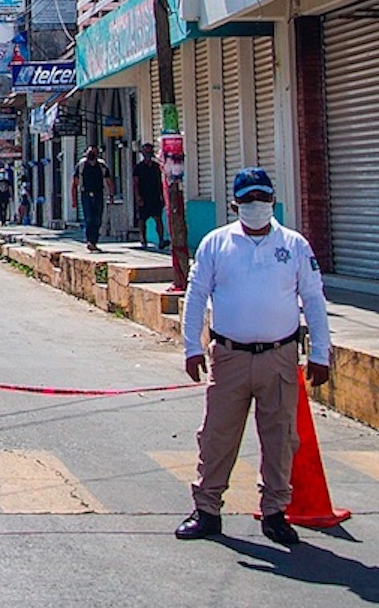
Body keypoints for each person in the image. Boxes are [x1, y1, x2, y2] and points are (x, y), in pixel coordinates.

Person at [176, 167, 331, 546]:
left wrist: (321, 353)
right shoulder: (216, 244)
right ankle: (208, 510)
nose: (256, 206)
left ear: (273, 202)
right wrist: (192, 347)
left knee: (280, 439)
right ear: (235, 204)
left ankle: (275, 512)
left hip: (279, 357)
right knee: (217, 436)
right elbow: (196, 296)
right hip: (230, 356)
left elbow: (313, 299)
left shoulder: (294, 245)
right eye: (248, 200)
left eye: (262, 199)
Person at [70, 146, 114, 252]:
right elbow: (74, 183)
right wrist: (74, 199)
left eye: (94, 152)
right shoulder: (81, 165)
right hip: (86, 194)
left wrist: (111, 195)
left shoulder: (102, 166)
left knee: (98, 219)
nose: (92, 154)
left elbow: (109, 181)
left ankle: (94, 240)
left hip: (99, 194)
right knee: (89, 218)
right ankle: (90, 241)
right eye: (90, 152)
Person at [134, 145, 166, 251]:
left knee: (158, 219)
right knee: (142, 220)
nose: (148, 155)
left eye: (150, 152)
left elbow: (161, 181)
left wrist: (163, 196)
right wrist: (138, 196)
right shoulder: (138, 167)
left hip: (155, 196)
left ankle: (161, 240)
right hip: (144, 196)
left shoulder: (157, 167)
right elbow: (135, 183)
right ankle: (143, 240)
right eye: (146, 152)